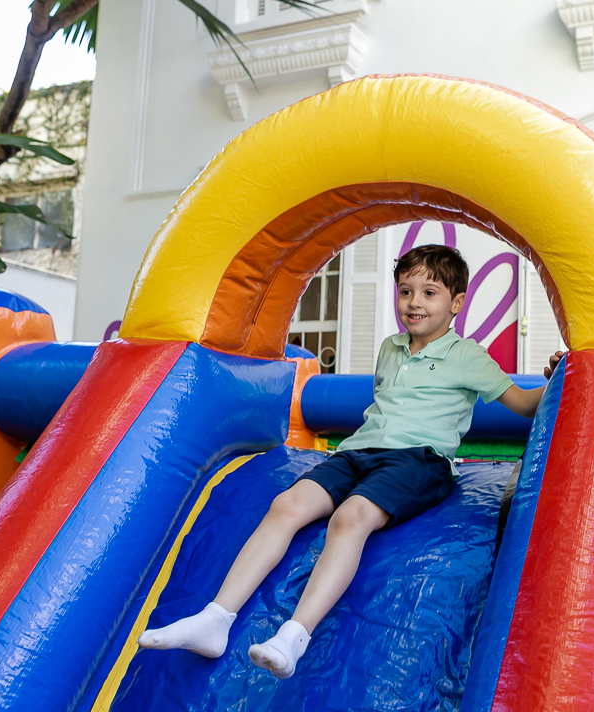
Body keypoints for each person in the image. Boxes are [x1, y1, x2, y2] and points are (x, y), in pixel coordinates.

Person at [138, 244, 565, 679]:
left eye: (430, 292)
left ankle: (293, 636)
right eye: (405, 291)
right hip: (358, 451)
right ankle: (216, 619)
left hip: (419, 460)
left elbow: (523, 404)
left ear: (456, 302)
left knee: (351, 516)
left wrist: (554, 377)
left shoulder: (467, 355)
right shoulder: (391, 348)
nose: (414, 302)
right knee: (286, 506)